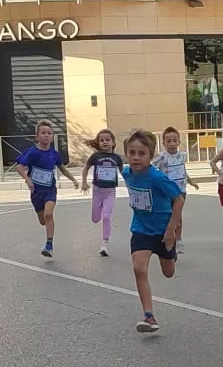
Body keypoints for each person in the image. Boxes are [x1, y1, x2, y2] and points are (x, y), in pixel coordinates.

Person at [121, 129, 185, 334]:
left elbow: (179, 199)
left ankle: (169, 255)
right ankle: (149, 316)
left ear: (151, 156)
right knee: (139, 269)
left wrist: (172, 228)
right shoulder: (126, 173)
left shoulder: (157, 178)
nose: (136, 158)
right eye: (132, 153)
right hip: (141, 229)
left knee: (168, 272)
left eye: (141, 153)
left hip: (163, 231)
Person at [14, 119, 78, 258]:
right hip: (36, 192)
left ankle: (49, 245)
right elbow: (18, 167)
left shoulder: (54, 154)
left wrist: (73, 180)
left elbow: (62, 168)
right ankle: (47, 234)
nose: (46, 135)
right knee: (43, 220)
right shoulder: (33, 153)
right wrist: (28, 179)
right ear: (37, 136)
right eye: (43, 133)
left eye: (49, 133)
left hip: (50, 190)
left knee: (48, 214)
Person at [83, 127, 123, 258]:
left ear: (113, 143)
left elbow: (124, 172)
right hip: (97, 191)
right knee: (95, 219)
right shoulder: (96, 156)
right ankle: (98, 213)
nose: (105, 142)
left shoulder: (117, 158)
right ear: (98, 143)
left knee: (106, 217)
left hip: (110, 192)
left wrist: (133, 183)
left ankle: (104, 244)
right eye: (101, 140)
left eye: (107, 140)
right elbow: (86, 168)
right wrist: (84, 182)